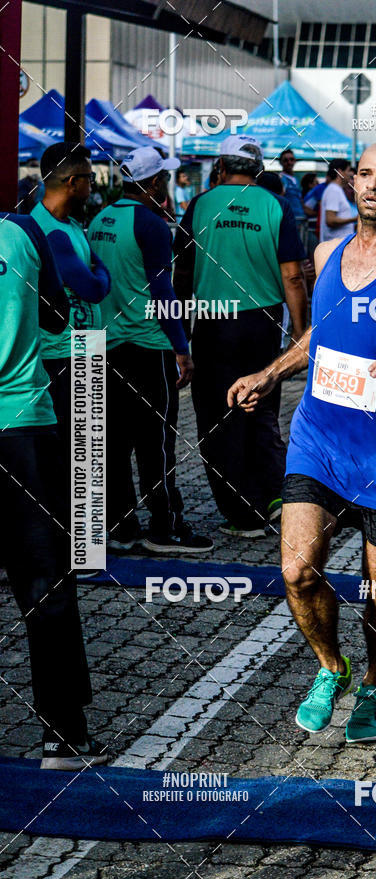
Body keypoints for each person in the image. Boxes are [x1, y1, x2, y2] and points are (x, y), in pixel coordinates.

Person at [228, 142, 376, 742]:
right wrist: (270, 373)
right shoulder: (326, 251)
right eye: (364, 174)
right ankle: (334, 667)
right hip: (321, 438)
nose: (372, 186)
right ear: (351, 181)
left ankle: (375, 686)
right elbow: (318, 338)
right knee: (299, 570)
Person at [0, 212, 107, 769]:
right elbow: (54, 314)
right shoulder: (23, 231)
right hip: (23, 422)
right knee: (44, 582)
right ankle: (64, 734)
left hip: (24, 419)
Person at [173, 135, 307, 538]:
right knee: (260, 410)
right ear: (259, 168)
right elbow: (293, 276)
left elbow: (180, 275)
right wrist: (301, 332)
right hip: (261, 323)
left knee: (216, 419)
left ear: (221, 166)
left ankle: (242, 513)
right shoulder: (275, 206)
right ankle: (276, 497)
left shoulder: (200, 205)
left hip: (213, 323)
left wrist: (180, 336)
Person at [88, 146, 212, 554]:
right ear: (155, 182)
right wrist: (182, 346)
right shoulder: (153, 225)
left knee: (116, 441)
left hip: (109, 345)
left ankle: (122, 528)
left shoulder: (100, 220)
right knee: (156, 441)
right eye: (165, 176)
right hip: (149, 345)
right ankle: (166, 528)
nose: (169, 182)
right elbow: (163, 291)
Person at [32, 142, 111, 489]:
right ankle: (80, 540)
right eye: (90, 179)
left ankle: (87, 540)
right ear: (72, 182)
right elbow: (95, 286)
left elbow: (98, 274)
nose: (92, 186)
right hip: (67, 353)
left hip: (84, 346)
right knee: (80, 455)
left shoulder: (71, 226)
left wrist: (97, 273)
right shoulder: (49, 232)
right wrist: (97, 273)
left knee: (89, 453)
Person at [320, 159, 358, 242]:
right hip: (335, 245)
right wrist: (355, 219)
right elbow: (330, 220)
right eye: (348, 171)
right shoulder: (333, 190)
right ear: (340, 172)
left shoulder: (337, 190)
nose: (349, 175)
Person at [279, 149, 308, 223]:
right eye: (286, 160)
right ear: (281, 162)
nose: (289, 162)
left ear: (295, 161)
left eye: (291, 159)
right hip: (289, 220)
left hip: (300, 219)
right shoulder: (281, 179)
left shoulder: (295, 179)